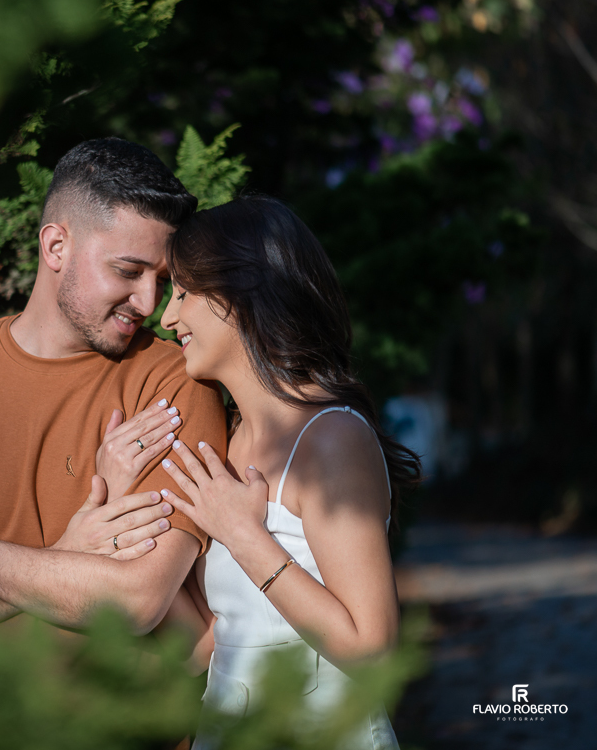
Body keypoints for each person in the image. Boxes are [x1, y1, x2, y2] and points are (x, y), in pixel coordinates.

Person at [0, 137, 227, 725]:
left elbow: (138, 599)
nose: (149, 301)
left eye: (162, 278)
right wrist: (65, 554)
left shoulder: (173, 389)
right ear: (56, 246)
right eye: (128, 271)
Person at [152, 195, 418, 749]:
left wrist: (247, 537)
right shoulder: (227, 439)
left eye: (182, 293)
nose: (167, 317)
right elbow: (211, 643)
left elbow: (373, 649)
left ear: (239, 294)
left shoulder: (332, 437)